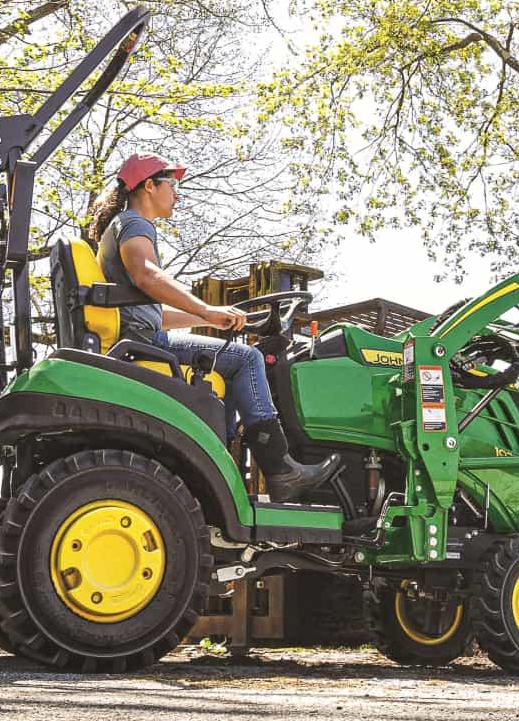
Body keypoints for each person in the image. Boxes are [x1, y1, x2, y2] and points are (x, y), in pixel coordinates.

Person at [86, 152, 340, 503]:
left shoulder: (119, 228)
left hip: (141, 335)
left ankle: (225, 466)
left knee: (233, 363)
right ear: (149, 185)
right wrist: (206, 307)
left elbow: (151, 311)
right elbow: (148, 275)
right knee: (248, 360)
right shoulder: (134, 224)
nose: (177, 193)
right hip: (144, 342)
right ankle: (281, 470)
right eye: (172, 184)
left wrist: (212, 317)